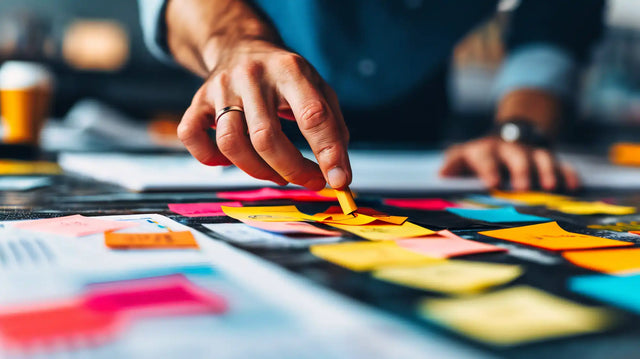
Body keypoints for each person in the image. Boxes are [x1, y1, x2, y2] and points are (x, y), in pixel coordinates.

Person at [137, 0, 604, 192]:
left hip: (416, 113)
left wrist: (516, 130)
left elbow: (557, 18)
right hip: (236, 93)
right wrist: (236, 44)